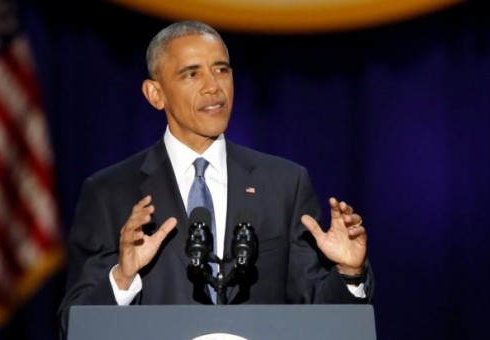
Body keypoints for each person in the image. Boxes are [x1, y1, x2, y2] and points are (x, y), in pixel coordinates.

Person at [57, 20, 374, 336]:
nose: (214, 87)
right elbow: (73, 324)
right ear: (155, 94)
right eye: (192, 73)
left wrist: (348, 272)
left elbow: (321, 317)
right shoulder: (110, 192)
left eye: (222, 70)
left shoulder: (284, 184)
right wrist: (122, 279)